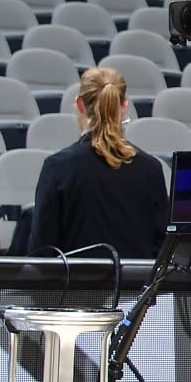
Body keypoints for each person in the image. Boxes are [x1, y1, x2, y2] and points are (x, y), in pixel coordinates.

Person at [27, 65, 169, 257]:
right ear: (124, 105)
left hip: (75, 286)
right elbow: (162, 249)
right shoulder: (151, 169)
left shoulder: (57, 167)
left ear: (79, 104)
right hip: (136, 286)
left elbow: (41, 251)